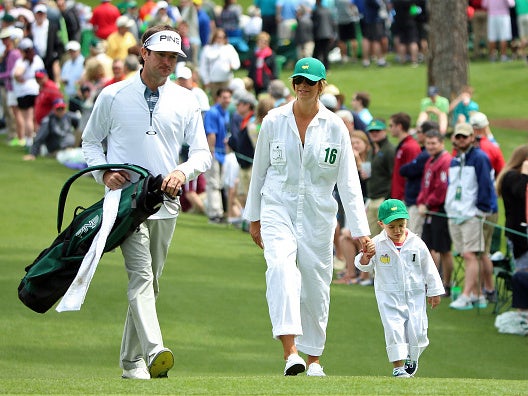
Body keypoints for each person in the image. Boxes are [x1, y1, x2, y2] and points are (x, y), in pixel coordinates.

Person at [81, 25, 212, 380]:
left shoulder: (186, 99)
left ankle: (130, 362)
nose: (168, 62)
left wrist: (182, 173)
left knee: (150, 283)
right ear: (144, 53)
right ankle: (155, 351)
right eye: (162, 55)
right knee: (141, 275)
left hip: (166, 202)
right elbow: (91, 143)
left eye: (174, 57)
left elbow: (202, 154)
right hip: (124, 202)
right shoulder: (113, 94)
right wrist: (103, 173)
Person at [244, 57, 371, 377]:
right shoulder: (273, 120)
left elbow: (349, 183)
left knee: (316, 284)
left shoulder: (335, 127)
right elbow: (259, 172)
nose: (303, 86)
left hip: (318, 215)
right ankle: (290, 353)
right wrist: (254, 218)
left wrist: (360, 231)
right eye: (298, 80)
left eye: (310, 82)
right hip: (277, 206)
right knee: (281, 270)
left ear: (321, 86)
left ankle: (314, 359)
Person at [355, 199, 444, 378]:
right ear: (381, 224)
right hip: (389, 296)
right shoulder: (377, 243)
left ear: (406, 222)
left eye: (401, 225)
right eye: (392, 226)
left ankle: (413, 356)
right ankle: (398, 366)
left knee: (418, 330)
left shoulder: (416, 243)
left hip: (414, 294)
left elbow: (429, 268)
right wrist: (366, 255)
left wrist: (434, 291)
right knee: (394, 329)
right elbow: (363, 265)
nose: (397, 231)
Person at [445, 123, 496, 311]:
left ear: (472, 138)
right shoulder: (455, 159)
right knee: (466, 254)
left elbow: (486, 185)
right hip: (455, 213)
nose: (460, 140)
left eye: (464, 137)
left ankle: (466, 295)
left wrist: (480, 210)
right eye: (457, 137)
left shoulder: (480, 158)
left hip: (472, 213)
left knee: (470, 254)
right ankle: (478, 295)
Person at [416, 130, 454, 296]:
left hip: (440, 211)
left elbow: (442, 187)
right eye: (428, 143)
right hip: (429, 210)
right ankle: (431, 282)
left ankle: (447, 284)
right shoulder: (430, 160)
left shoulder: (445, 161)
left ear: (441, 143)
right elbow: (425, 185)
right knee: (428, 247)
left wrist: (428, 204)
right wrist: (421, 202)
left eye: (434, 143)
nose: (430, 146)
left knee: (443, 248)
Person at [203, 87, 232, 223]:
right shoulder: (213, 112)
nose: (227, 100)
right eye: (224, 97)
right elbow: (211, 133)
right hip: (214, 152)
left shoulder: (226, 112)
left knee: (220, 183)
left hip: (223, 153)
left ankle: (220, 212)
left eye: (228, 97)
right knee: (213, 183)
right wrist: (210, 151)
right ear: (218, 98)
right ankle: (215, 214)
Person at [364, 118, 395, 238]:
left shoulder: (389, 150)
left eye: (377, 130)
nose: (374, 133)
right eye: (371, 131)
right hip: (372, 198)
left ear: (384, 131)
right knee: (371, 237)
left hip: (383, 198)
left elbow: (394, 176)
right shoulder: (372, 150)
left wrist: (388, 199)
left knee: (386, 237)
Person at [388, 112, 421, 202]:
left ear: (399, 126)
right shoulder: (403, 145)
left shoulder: (410, 147)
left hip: (403, 198)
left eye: (391, 126)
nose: (389, 129)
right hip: (397, 196)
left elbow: (412, 173)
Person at [199, 28, 241, 97]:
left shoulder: (229, 48)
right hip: (213, 81)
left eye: (223, 37)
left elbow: (236, 62)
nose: (220, 39)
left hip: (226, 80)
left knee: (226, 100)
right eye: (218, 37)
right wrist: (206, 80)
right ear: (214, 37)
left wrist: (232, 66)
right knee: (216, 100)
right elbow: (203, 66)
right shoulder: (208, 49)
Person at [247, 31, 277, 96]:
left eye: (265, 42)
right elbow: (252, 68)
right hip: (256, 81)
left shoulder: (271, 54)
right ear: (257, 43)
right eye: (261, 41)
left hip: (267, 81)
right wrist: (249, 79)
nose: (263, 44)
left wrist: (274, 80)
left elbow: (274, 68)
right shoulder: (255, 54)